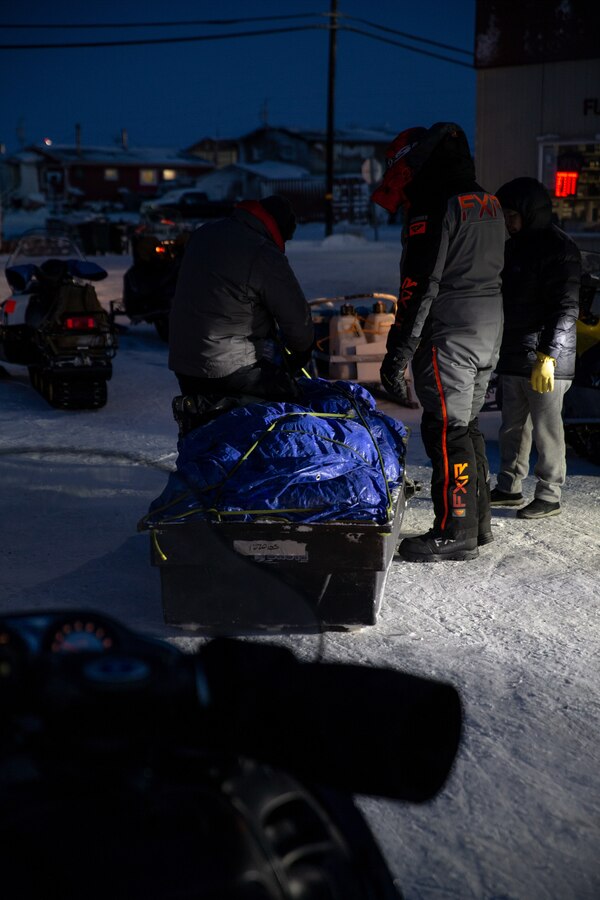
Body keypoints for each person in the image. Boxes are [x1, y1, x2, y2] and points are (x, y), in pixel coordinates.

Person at [372, 122, 506, 562]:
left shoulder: (435, 204)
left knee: (445, 429)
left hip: (450, 331)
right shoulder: (487, 200)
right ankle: (477, 523)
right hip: (489, 327)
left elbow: (418, 285)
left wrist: (398, 352)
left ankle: (454, 530)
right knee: (466, 426)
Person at [168, 195, 314, 411]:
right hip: (228, 367)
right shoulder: (263, 252)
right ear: (279, 229)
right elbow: (297, 322)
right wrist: (301, 352)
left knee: (205, 422)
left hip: (184, 362)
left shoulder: (203, 233)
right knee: (292, 407)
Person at [490, 177, 581, 519]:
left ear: (529, 212)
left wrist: (548, 356)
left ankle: (549, 494)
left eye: (511, 215)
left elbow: (566, 308)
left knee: (547, 430)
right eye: (504, 215)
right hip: (515, 352)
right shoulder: (513, 247)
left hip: (548, 358)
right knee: (512, 428)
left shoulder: (560, 248)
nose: (507, 222)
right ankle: (509, 487)